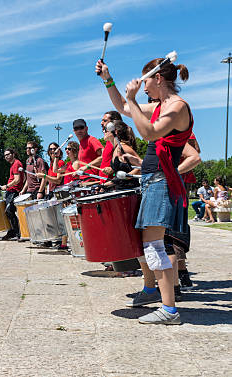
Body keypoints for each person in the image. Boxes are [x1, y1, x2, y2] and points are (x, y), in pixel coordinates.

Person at [97, 55, 192, 325]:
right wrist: (108, 79)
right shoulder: (163, 105)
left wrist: (134, 99)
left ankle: (169, 309)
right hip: (153, 179)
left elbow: (150, 133)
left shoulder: (177, 107)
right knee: (153, 246)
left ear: (158, 78)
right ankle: (166, 305)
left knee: (155, 247)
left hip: (162, 180)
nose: (144, 86)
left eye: (146, 80)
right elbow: (124, 108)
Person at [0, 148, 24, 240]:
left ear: (13, 154)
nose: (6, 156)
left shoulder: (16, 164)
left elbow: (17, 180)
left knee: (9, 211)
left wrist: (6, 186)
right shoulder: (14, 165)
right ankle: (12, 231)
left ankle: (17, 233)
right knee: (8, 212)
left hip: (13, 191)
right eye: (5, 155)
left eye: (8, 154)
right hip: (11, 191)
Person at [99, 111, 123, 180]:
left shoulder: (121, 144)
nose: (101, 123)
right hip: (106, 185)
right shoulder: (108, 143)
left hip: (116, 186)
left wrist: (113, 169)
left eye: (105, 121)